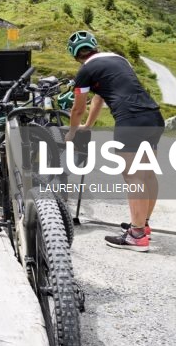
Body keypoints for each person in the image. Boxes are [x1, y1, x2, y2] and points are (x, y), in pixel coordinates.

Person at [63, 31, 164, 252]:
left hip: (130, 121)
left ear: (74, 54)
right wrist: (88, 126)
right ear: (95, 47)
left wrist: (71, 133)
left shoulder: (85, 70)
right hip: (153, 116)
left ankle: (136, 236)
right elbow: (100, 97)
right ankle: (142, 225)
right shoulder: (119, 59)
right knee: (147, 173)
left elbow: (78, 107)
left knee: (133, 175)